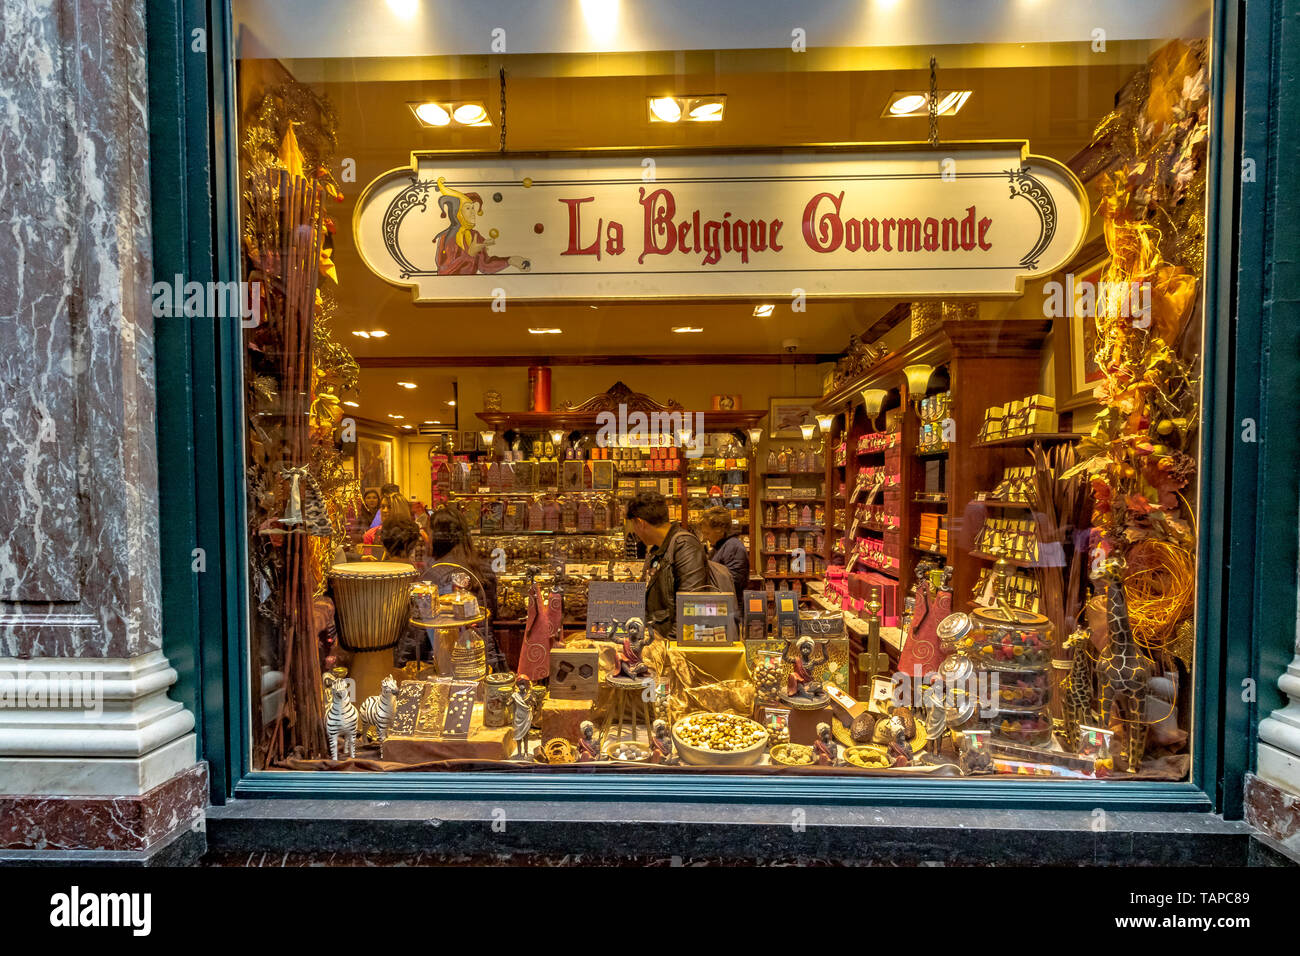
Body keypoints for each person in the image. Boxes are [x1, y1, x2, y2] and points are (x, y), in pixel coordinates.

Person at [394, 504, 504, 670]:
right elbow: (491, 616)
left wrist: (401, 663)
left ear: (439, 538)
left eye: (429, 532)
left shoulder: (432, 579)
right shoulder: (483, 571)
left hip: (443, 662)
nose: (426, 538)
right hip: (483, 658)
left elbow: (418, 632)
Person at [625, 490, 707, 639]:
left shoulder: (684, 545)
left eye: (633, 525)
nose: (635, 532)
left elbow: (690, 606)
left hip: (672, 646)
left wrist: (670, 646)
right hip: (659, 641)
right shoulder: (658, 549)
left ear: (640, 523)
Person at [698, 506, 749, 614]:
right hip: (721, 607)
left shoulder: (733, 547)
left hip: (728, 610)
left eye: (707, 533)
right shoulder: (720, 546)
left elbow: (732, 584)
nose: (705, 537)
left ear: (719, 530)